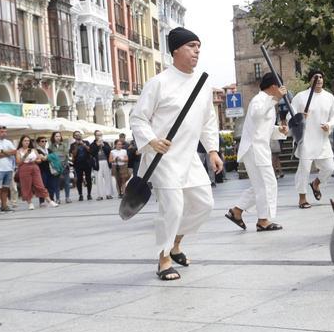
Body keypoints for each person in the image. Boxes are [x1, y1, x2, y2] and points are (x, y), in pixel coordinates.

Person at [131, 28, 223, 281]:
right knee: (172, 207)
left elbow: (208, 121)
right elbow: (138, 118)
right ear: (176, 50)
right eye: (191, 45)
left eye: (198, 46)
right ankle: (163, 260)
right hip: (162, 157)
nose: (197, 51)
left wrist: (212, 150)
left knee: (205, 205)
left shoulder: (203, 84)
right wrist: (151, 140)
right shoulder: (159, 83)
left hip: (190, 157)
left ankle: (175, 242)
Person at [226, 72, 288, 232]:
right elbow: (256, 114)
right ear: (274, 86)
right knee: (267, 184)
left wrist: (279, 130)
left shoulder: (267, 102)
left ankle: (237, 211)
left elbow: (262, 128)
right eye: (280, 86)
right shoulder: (259, 100)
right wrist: (276, 100)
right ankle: (263, 220)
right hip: (254, 149)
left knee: (260, 185)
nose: (283, 89)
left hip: (260, 148)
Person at [290, 71, 334, 209]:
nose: (319, 79)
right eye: (315, 77)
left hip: (322, 139)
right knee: (304, 169)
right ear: (310, 80)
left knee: (330, 168)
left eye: (321, 77)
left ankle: (316, 183)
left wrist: (329, 125)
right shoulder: (300, 97)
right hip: (306, 139)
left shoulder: (329, 97)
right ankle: (302, 198)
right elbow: (291, 115)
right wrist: (300, 117)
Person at [15, 135, 54, 209]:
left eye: (28, 141)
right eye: (25, 141)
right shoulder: (18, 151)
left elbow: (39, 160)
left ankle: (49, 200)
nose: (27, 142)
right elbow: (18, 162)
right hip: (24, 168)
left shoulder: (33, 150)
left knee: (40, 184)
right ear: (22, 142)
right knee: (26, 185)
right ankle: (30, 203)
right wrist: (26, 155)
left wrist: (35, 160)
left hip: (34, 166)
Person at [90, 130, 115, 200]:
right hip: (97, 163)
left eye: (100, 135)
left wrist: (103, 146)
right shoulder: (92, 144)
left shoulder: (105, 143)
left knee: (108, 179)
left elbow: (110, 151)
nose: (99, 136)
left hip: (106, 162)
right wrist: (97, 146)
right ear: (95, 136)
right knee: (98, 179)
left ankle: (108, 194)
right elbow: (92, 153)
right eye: (98, 135)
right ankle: (100, 195)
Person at [69, 131, 94, 201]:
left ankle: (89, 194)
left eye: (79, 135)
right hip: (78, 164)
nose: (78, 136)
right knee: (79, 179)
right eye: (76, 135)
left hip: (87, 163)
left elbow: (90, 151)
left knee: (88, 178)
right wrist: (76, 146)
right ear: (74, 137)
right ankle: (80, 195)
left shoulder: (86, 142)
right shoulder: (72, 145)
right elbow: (73, 154)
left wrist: (84, 144)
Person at [49, 131, 71, 203]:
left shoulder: (64, 145)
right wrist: (57, 157)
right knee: (56, 183)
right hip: (55, 167)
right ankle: (58, 198)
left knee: (66, 183)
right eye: (56, 136)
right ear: (53, 137)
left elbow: (66, 155)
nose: (58, 137)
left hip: (64, 166)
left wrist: (57, 156)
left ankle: (67, 197)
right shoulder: (51, 146)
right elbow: (50, 157)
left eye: (59, 136)